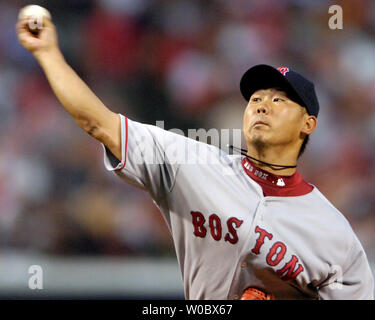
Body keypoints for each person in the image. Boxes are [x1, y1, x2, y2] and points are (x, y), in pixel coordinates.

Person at [17, 17, 374, 300]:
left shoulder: (334, 234)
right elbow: (98, 122)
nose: (263, 104)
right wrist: (49, 54)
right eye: (256, 98)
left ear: (308, 124)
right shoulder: (192, 164)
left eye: (280, 100)